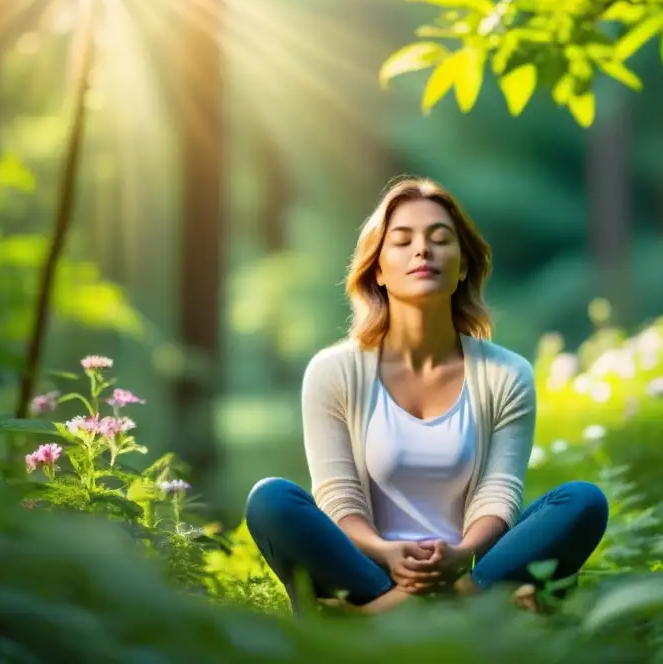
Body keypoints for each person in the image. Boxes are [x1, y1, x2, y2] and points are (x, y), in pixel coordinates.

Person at [244, 177, 609, 614]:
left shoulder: (506, 373)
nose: (423, 250)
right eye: (402, 241)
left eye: (440, 239)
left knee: (582, 501)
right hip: (363, 571)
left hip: (465, 571)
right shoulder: (333, 371)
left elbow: (499, 494)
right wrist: (383, 551)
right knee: (271, 500)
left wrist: (459, 556)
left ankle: (377, 618)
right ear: (376, 269)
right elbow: (338, 498)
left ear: (462, 268)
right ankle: (462, 611)